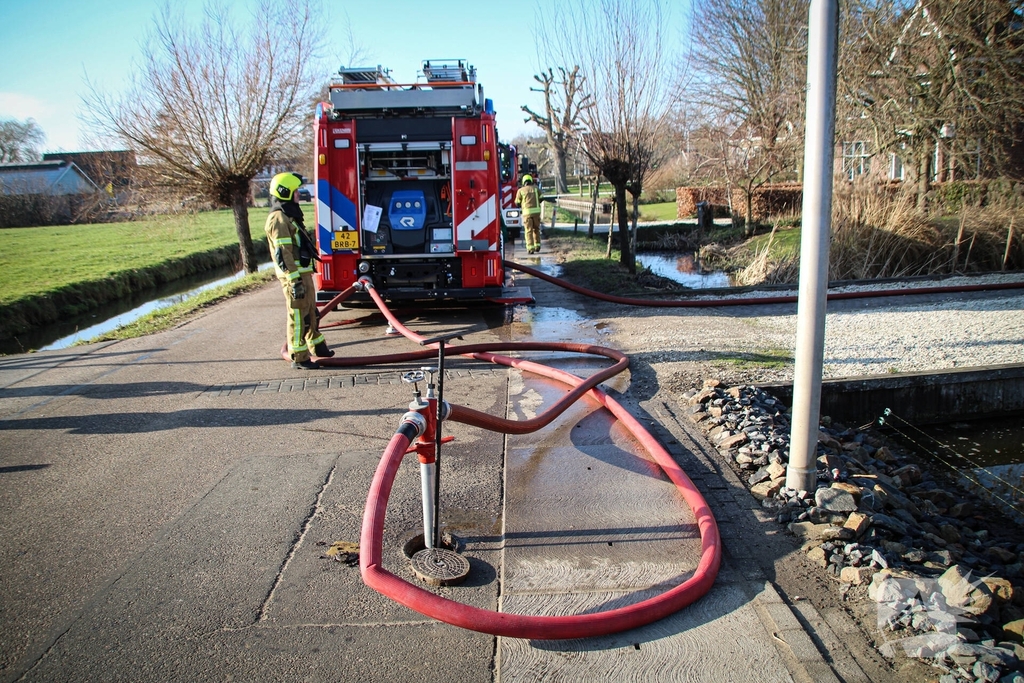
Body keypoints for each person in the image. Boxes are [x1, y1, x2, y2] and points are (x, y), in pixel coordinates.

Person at [264, 172, 333, 369]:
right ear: (285, 192)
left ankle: (317, 346)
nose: (298, 195)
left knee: (311, 312)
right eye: (295, 191)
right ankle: (299, 356)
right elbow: (283, 254)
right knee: (298, 316)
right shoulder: (278, 219)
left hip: (303, 274)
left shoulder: (289, 215)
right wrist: (294, 281)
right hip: (294, 277)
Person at [514, 174, 542, 254]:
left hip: (527, 214)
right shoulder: (536, 189)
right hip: (536, 213)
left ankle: (530, 248)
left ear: (523, 182)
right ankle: (537, 246)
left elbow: (517, 202)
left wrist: (521, 204)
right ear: (531, 181)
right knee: (536, 229)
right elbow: (542, 197)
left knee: (528, 230)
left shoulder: (521, 190)